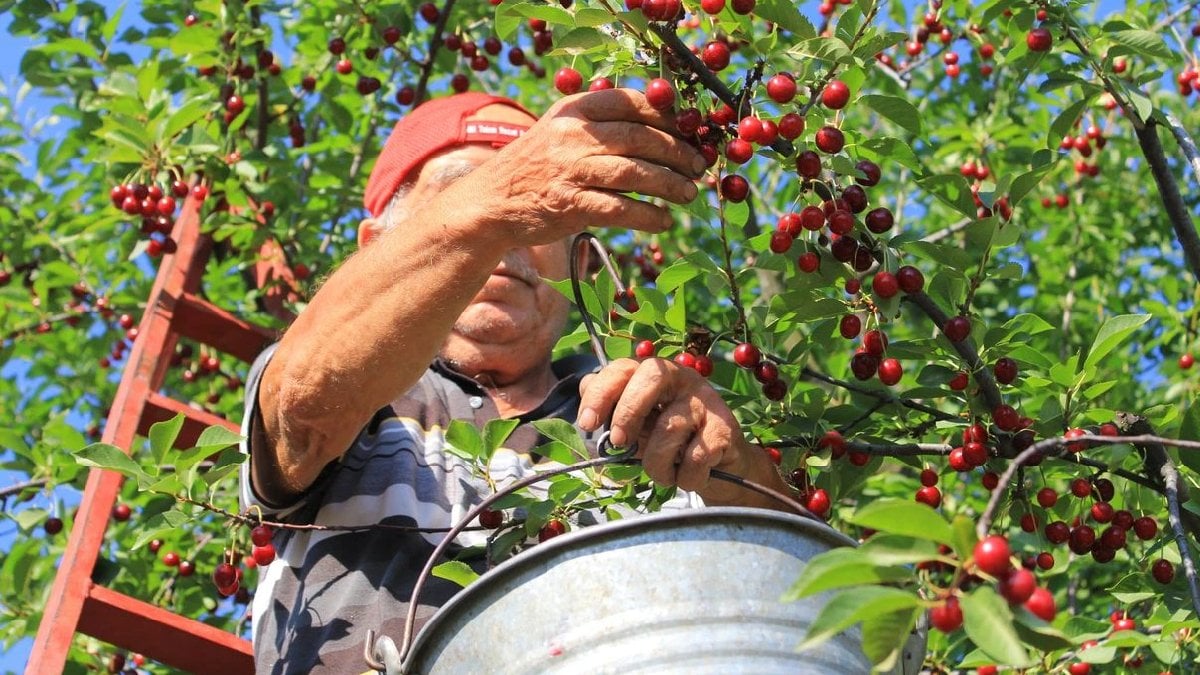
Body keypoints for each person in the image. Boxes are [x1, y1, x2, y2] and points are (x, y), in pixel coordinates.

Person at [239, 88, 793, 673]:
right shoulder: (361, 400)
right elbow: (304, 398)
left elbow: (808, 614)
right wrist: (497, 198)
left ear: (580, 265)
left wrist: (741, 482)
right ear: (379, 250)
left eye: (538, 217)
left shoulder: (638, 419)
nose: (505, 235)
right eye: (456, 194)